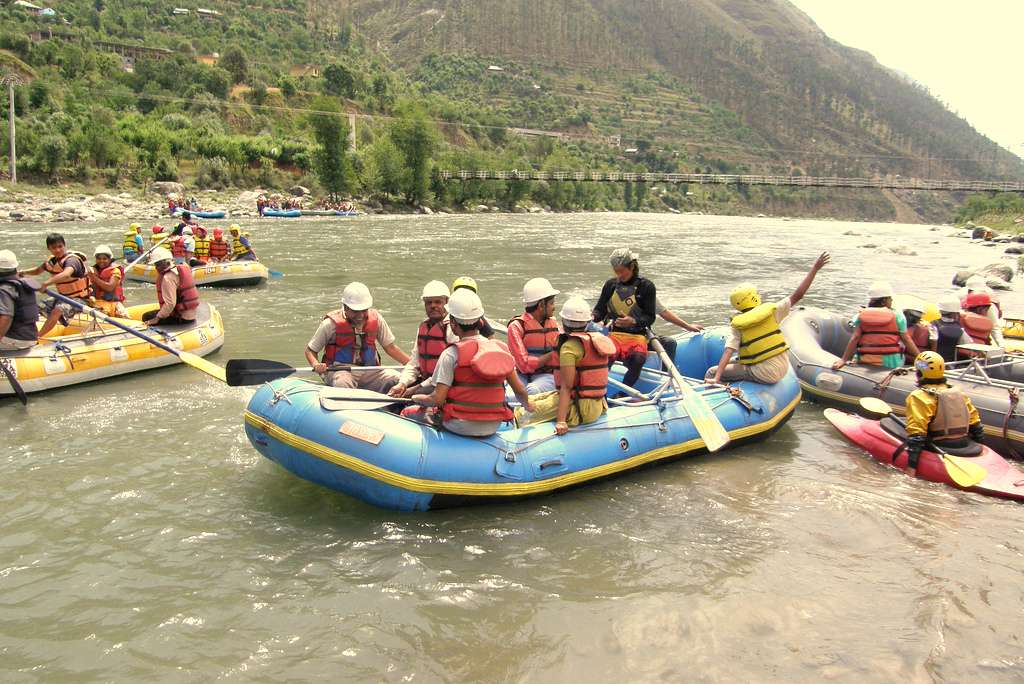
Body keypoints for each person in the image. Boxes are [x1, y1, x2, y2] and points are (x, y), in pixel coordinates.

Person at [410, 288, 533, 437]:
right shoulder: (502, 349)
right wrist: (528, 406)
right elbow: (520, 390)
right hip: (494, 425)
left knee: (408, 413)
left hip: (457, 425)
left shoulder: (450, 354)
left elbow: (437, 399)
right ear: (480, 322)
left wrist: (416, 398)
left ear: (453, 324)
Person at [708, 252, 830, 384]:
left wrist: (716, 377)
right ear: (753, 297)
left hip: (763, 373)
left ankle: (719, 386)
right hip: (781, 368)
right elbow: (798, 294)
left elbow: (728, 351)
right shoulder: (773, 311)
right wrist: (815, 268)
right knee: (735, 361)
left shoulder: (738, 326)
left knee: (712, 371)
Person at [516, 296, 615, 434]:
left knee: (522, 413)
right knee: (530, 400)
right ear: (587, 322)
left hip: (580, 407)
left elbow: (566, 387)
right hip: (597, 404)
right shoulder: (594, 340)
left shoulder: (569, 348)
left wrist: (561, 421)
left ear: (564, 321)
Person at [305, 282, 409, 392]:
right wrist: (316, 364)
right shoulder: (330, 324)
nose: (360, 316)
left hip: (370, 371)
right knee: (342, 383)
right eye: (355, 311)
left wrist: (413, 365)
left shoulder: (377, 319)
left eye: (364, 311)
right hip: (339, 371)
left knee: (398, 379)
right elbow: (310, 351)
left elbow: (390, 348)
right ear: (345, 307)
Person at [903, 351, 984, 478]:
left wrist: (911, 469)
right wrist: (981, 451)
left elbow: (917, 434)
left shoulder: (919, 396)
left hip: (940, 445)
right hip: (964, 444)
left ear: (919, 373)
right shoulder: (958, 393)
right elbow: (976, 425)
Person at [591, 248, 657, 388]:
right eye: (616, 272)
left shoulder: (647, 287)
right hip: (614, 335)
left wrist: (634, 321)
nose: (619, 275)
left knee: (638, 360)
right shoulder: (610, 285)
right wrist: (593, 316)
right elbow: (600, 310)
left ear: (632, 266)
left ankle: (623, 392)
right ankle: (599, 391)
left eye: (622, 271)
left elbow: (650, 317)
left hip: (637, 336)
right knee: (605, 357)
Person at [390, 280, 459, 398]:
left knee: (411, 396)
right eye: (429, 303)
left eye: (438, 302)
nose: (433, 306)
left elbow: (449, 371)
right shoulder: (424, 326)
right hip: (426, 381)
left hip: (444, 385)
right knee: (393, 386)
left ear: (447, 302)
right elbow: (414, 363)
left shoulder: (453, 328)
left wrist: (417, 388)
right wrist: (402, 384)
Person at [832, 280, 920, 370]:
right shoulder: (898, 316)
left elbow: (855, 338)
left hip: (864, 359)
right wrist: (920, 358)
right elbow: (906, 340)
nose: (892, 300)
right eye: (890, 298)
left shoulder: (860, 315)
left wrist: (843, 359)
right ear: (884, 301)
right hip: (891, 362)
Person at [18, 233, 92, 337]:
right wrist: (22, 272)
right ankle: (26, 332)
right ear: (49, 248)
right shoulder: (51, 262)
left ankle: (37, 337)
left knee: (58, 310)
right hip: (62, 297)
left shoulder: (72, 260)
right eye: (54, 248)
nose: (58, 250)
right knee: (36, 307)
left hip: (80, 299)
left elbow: (66, 274)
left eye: (60, 246)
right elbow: (37, 271)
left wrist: (46, 283)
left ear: (64, 245)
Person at [507, 277, 562, 395]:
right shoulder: (516, 326)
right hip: (521, 374)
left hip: (547, 375)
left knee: (531, 390)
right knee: (509, 395)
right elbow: (524, 366)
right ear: (541, 305)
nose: (554, 307)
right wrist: (553, 353)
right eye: (552, 303)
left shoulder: (555, 324)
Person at [142, 247, 199, 326]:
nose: (156, 268)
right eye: (156, 265)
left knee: (146, 316)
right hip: (191, 315)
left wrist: (157, 318)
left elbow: (170, 304)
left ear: (166, 263)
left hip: (181, 318)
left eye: (158, 265)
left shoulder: (168, 278)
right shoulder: (182, 269)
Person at [0, 250, 39, 350]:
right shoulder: (21, 284)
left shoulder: (4, 289)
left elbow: (6, 317)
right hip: (30, 336)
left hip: (15, 340)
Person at [960, 275, 1004, 347]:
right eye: (970, 291)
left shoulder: (989, 306)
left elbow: (995, 328)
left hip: (982, 333)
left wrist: (1001, 345)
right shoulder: (963, 299)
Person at [88, 245, 127, 318]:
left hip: (113, 303)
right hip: (97, 302)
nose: (101, 261)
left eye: (105, 259)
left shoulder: (115, 271)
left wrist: (94, 277)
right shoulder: (93, 271)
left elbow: (110, 287)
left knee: (124, 316)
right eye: (99, 258)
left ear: (110, 259)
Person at [932, 295, 972, 362]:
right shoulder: (959, 328)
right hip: (951, 362)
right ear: (954, 313)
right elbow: (968, 343)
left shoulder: (933, 324)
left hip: (934, 360)